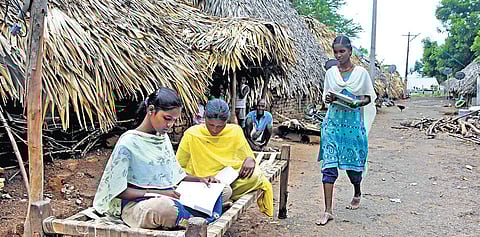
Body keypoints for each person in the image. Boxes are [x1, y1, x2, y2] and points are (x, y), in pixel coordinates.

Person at [93, 87, 222, 230]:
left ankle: (187, 216)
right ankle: (189, 216)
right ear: (150, 110)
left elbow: (174, 175)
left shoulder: (163, 139)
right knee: (166, 209)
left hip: (169, 196)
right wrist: (157, 194)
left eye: (174, 120)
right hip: (139, 204)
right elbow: (118, 190)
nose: (170, 125)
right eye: (167, 118)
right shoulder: (128, 142)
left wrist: (200, 179)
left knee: (221, 189)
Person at [176, 99, 274, 216]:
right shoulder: (191, 134)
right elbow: (178, 168)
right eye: (211, 125)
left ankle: (218, 200)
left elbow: (248, 157)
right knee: (224, 191)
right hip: (202, 182)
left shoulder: (235, 131)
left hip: (229, 180)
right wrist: (200, 178)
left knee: (255, 176)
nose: (214, 130)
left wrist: (250, 160)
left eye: (220, 126)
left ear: (226, 122)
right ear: (204, 118)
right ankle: (219, 201)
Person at [316, 36, 377, 226]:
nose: (338, 55)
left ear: (350, 51)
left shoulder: (361, 73)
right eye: (335, 51)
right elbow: (326, 96)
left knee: (353, 167)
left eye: (342, 51)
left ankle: (357, 190)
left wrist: (357, 102)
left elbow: (368, 97)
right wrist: (328, 99)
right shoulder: (330, 74)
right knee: (329, 166)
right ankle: (328, 211)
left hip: (352, 125)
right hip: (332, 125)